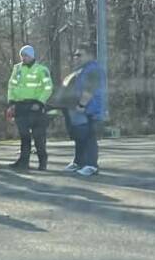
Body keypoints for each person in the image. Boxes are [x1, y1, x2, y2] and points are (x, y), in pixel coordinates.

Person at [50, 45, 105, 176]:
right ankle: (78, 162)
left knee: (89, 137)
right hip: (78, 110)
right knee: (79, 137)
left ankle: (91, 165)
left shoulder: (93, 70)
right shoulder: (81, 70)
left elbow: (89, 90)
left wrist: (81, 105)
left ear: (90, 55)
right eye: (75, 55)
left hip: (90, 109)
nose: (76, 58)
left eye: (79, 55)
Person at [6, 45, 53, 170]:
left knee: (39, 136)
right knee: (24, 136)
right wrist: (11, 102)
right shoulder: (17, 69)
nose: (23, 58)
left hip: (35, 106)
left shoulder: (41, 69)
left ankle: (42, 162)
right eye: (22, 55)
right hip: (20, 106)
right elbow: (11, 86)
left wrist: (40, 102)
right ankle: (23, 161)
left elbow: (48, 88)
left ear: (32, 56)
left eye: (26, 55)